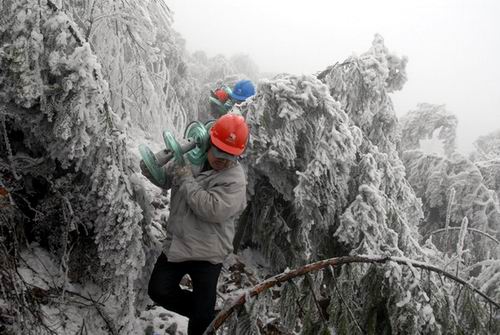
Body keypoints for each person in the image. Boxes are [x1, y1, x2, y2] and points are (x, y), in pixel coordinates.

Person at [144, 113, 249, 335]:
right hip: (179, 244)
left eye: (229, 156)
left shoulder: (235, 179)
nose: (223, 160)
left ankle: (204, 317)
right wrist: (159, 160)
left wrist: (185, 177)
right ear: (209, 141)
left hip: (209, 255)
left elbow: (212, 208)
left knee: (200, 327)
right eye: (219, 152)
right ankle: (209, 314)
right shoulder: (191, 159)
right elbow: (162, 178)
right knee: (159, 290)